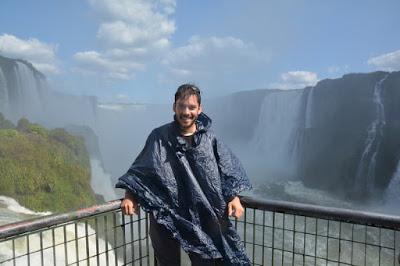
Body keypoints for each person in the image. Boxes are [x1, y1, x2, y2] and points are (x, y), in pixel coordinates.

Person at [116, 84, 252, 266]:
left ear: (199, 109)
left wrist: (233, 197)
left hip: (201, 213)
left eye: (191, 107)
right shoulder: (159, 137)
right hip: (167, 213)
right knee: (167, 262)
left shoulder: (210, 140)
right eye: (181, 106)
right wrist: (130, 195)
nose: (186, 112)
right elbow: (141, 170)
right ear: (174, 107)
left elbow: (227, 169)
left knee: (207, 259)